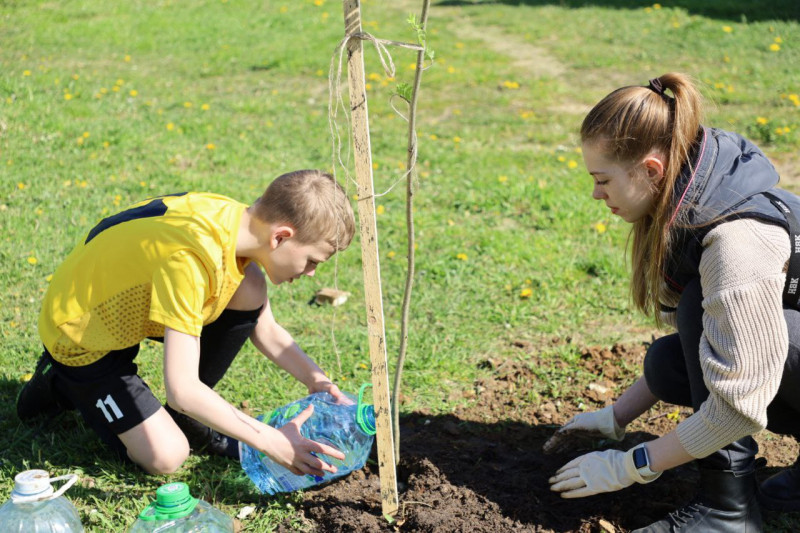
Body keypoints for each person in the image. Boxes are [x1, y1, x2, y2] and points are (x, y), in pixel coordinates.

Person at [544, 73, 800, 532]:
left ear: (652, 170)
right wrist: (616, 418)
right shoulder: (696, 197)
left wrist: (633, 465)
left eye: (602, 179)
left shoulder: (735, 242)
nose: (595, 194)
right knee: (668, 362)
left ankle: (727, 515)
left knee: (727, 334)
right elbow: (699, 333)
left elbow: (739, 405)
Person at [17, 169, 357, 478]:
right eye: (312, 261)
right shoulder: (190, 261)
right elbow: (181, 390)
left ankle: (190, 416)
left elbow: (264, 328)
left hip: (126, 307)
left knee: (250, 285)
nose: (311, 273)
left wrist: (317, 381)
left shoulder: (237, 223)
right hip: (82, 336)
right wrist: (271, 441)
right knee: (167, 456)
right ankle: (59, 382)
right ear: (281, 237)